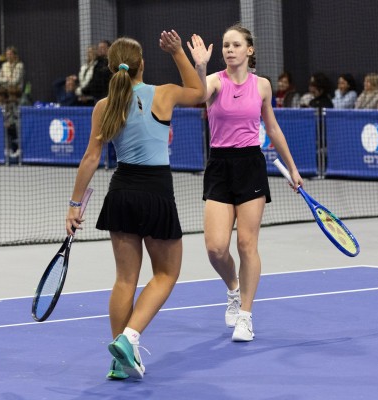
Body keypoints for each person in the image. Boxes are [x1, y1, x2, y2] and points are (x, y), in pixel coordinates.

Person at [65, 30, 205, 380]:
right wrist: (177, 53)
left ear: (112, 68)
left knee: (125, 280)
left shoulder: (104, 106)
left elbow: (90, 158)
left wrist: (74, 205)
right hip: (156, 193)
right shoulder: (164, 93)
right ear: (142, 64)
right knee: (167, 274)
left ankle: (118, 360)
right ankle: (128, 338)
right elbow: (200, 93)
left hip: (122, 193)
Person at [190, 24, 303, 342]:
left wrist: (293, 169)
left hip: (250, 165)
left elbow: (273, 128)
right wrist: (200, 67)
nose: (229, 49)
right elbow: (199, 95)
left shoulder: (262, 86)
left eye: (236, 45)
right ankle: (233, 288)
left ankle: (245, 316)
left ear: (249, 50)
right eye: (226, 45)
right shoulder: (214, 81)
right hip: (219, 166)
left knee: (246, 244)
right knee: (216, 249)